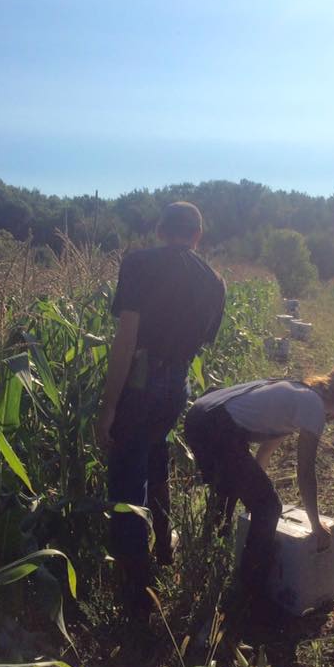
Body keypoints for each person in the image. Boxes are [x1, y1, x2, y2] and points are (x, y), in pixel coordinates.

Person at [96, 201, 226, 611]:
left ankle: (137, 595)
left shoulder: (139, 263)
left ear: (159, 229)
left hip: (140, 381)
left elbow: (127, 338)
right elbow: (202, 341)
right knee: (156, 459)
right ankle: (165, 550)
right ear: (197, 236)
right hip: (177, 385)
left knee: (127, 483)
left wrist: (108, 406)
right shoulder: (214, 282)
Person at [184, 361, 334, 596]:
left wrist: (253, 490)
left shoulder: (301, 394)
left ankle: (204, 565)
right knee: (269, 507)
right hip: (215, 425)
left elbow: (264, 452)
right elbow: (305, 472)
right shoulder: (312, 405)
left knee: (229, 490)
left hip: (204, 416)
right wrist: (315, 525)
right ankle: (248, 592)